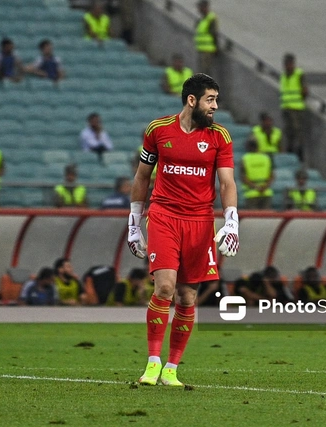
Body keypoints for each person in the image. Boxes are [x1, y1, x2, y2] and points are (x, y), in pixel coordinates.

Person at [127, 73, 238, 387]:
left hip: (200, 222)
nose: (215, 106)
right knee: (165, 288)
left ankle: (171, 369)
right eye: (210, 99)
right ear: (193, 100)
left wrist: (232, 220)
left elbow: (227, 182)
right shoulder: (158, 130)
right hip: (163, 215)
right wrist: (134, 224)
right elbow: (142, 177)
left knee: (188, 297)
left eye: (216, 99)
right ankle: (152, 363)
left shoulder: (220, 137)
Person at [280, 53, 308, 161]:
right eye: (286, 63)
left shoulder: (299, 74)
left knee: (297, 130)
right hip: (286, 106)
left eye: (290, 63)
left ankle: (300, 152)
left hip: (296, 107)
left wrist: (301, 100)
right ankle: (290, 150)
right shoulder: (283, 75)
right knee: (288, 131)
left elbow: (305, 90)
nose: (288, 66)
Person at [241, 139, 274, 210]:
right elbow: (272, 175)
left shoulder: (245, 158)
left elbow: (243, 177)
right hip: (266, 192)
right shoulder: (266, 157)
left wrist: (256, 187)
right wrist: (265, 186)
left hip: (251, 193)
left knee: (252, 218)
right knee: (266, 218)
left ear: (248, 147)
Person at [194, 0, 218, 76]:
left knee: (206, 71)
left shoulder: (210, 18)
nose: (199, 9)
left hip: (207, 50)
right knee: (201, 71)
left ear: (205, 7)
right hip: (201, 49)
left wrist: (216, 47)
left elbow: (214, 33)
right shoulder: (201, 19)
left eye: (200, 7)